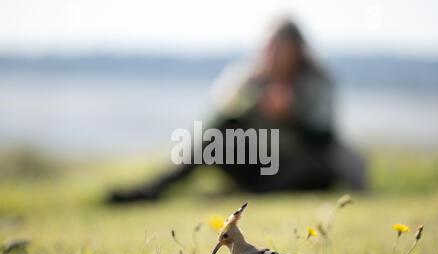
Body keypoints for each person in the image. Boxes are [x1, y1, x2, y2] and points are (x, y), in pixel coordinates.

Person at [107, 20, 366, 204]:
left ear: (297, 52)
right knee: (218, 133)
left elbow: (325, 138)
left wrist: (291, 116)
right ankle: (154, 189)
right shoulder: (250, 77)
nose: (273, 56)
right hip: (261, 163)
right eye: (269, 48)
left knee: (317, 167)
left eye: (280, 49)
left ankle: (242, 195)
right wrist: (246, 98)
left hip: (298, 169)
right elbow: (214, 122)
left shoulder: (317, 80)